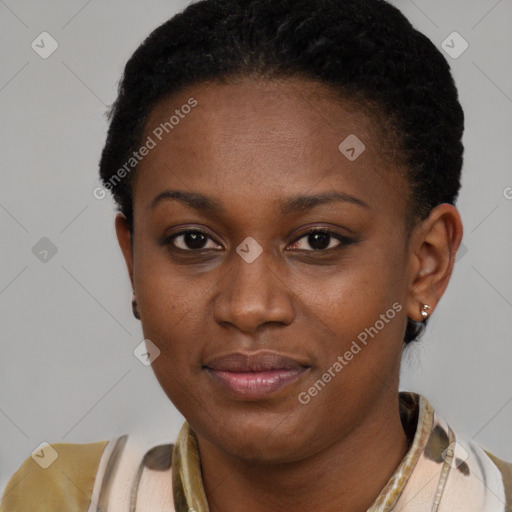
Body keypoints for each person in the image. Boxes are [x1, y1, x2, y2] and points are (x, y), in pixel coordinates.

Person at [2, 0, 511, 511]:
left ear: (426, 263)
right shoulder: (63, 499)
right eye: (193, 240)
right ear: (132, 260)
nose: (247, 306)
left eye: (318, 240)